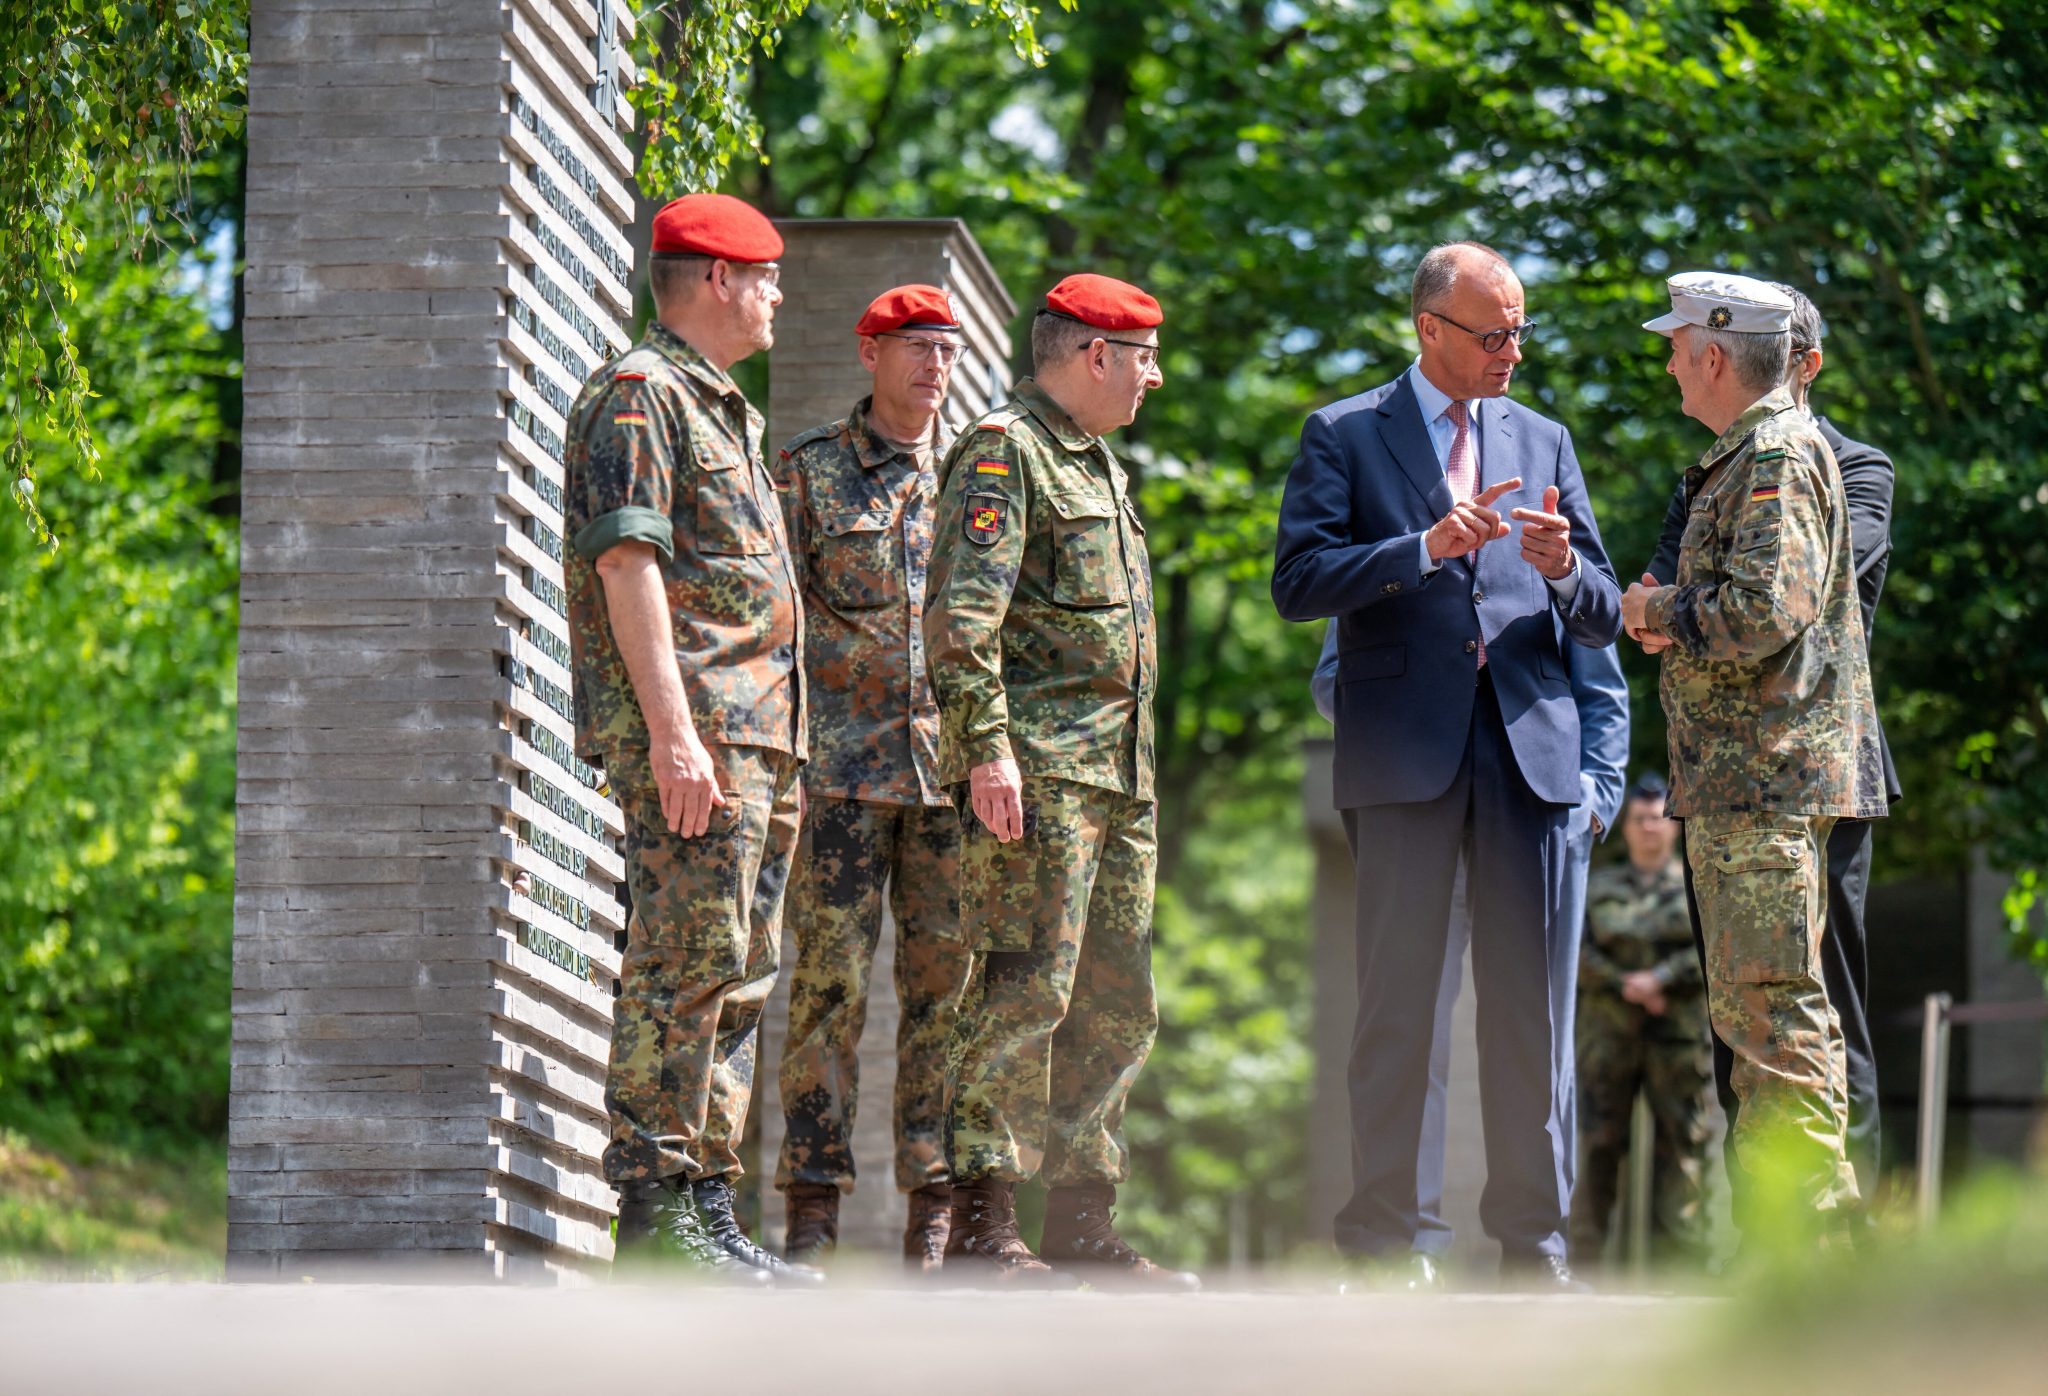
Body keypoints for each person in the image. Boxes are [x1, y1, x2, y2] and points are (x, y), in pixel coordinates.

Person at [1273, 241, 1622, 1291]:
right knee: (1398, 1014)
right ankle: (1388, 1243)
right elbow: (1298, 582)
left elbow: (1603, 610)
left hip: (1531, 760)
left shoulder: (1545, 438)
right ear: (1429, 328)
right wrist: (1420, 548)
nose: (1511, 348)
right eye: (1492, 331)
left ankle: (1533, 1245)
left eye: (1519, 328)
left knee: (1530, 1018)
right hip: (1402, 758)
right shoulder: (1341, 433)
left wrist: (1565, 571)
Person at [562, 193, 816, 1283]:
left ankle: (708, 1208)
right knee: (683, 965)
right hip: (701, 735)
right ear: (715, 277)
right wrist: (672, 736)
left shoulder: (726, 411)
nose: (774, 296)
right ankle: (656, 1213)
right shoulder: (639, 397)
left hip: (760, 738)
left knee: (740, 974)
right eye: (763, 276)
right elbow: (629, 567)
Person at [923, 273, 1196, 1290]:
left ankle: (1083, 1218)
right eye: (1143, 357)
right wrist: (985, 749)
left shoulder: (1101, 466)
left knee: (1117, 997)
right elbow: (961, 620)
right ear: (1094, 354)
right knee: (1022, 986)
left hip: (1119, 780)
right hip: (1038, 772)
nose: (1154, 377)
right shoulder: (1006, 450)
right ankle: (986, 1222)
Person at [1621, 271, 1887, 1243]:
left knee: (1772, 1005)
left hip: (1761, 775)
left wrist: (1655, 612)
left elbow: (1764, 611)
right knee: (1762, 1003)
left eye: (1673, 344)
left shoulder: (1770, 451)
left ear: (1713, 354)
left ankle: (1812, 1235)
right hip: (1748, 776)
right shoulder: (1750, 452)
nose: (1665, 363)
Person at [1311, 620, 1629, 1270]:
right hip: (1415, 813)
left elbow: (1601, 684)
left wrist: (1594, 797)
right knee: (1409, 1030)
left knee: (1539, 1030)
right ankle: (1410, 1240)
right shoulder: (1397, 536)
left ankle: (1537, 1244)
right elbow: (1332, 677)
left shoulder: (1546, 527)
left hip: (1536, 820)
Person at [770, 286, 975, 1271]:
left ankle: (931, 1220)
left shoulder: (984, 480)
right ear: (869, 353)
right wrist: (785, 755)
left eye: (946, 349)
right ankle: (809, 1215)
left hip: (950, 786)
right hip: (837, 779)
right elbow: (773, 629)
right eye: (914, 348)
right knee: (823, 996)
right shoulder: (806, 475)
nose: (933, 365)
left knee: (943, 1003)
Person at [1569, 773, 1713, 1267]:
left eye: (1657, 818)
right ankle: (1579, 1261)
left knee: (1683, 1148)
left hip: (1677, 1037)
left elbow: (1712, 949)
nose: (1649, 827)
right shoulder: (1597, 883)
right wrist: (1624, 984)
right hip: (1606, 1036)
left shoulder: (1700, 884)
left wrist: (1662, 979)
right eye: (1639, 819)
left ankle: (1683, 1267)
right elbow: (1575, 948)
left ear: (1673, 826)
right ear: (1625, 826)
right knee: (1596, 1146)